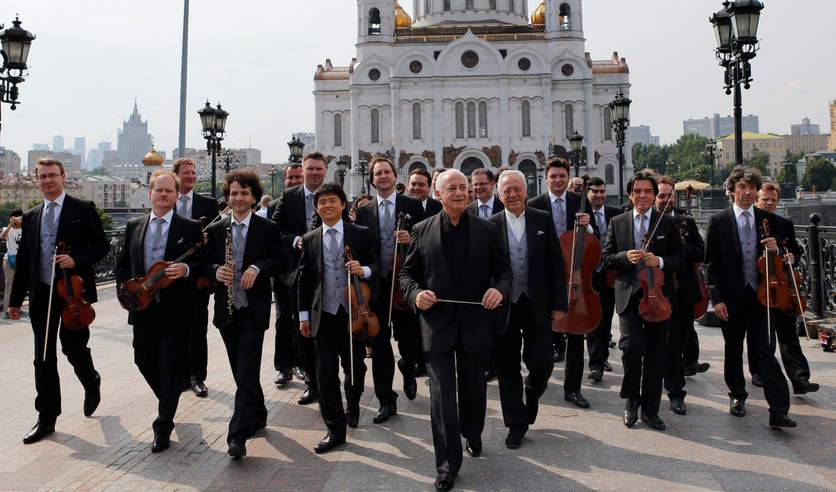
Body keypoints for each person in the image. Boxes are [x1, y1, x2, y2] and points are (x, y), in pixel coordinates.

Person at [400, 169, 512, 492]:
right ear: (438, 193)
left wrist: (499, 291)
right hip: (437, 326)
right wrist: (416, 294)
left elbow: (504, 271)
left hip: (476, 325)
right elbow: (407, 276)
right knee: (441, 396)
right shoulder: (421, 230)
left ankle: (473, 431)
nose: (460, 192)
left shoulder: (487, 229)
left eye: (464, 187)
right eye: (452, 188)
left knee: (474, 389)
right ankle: (447, 465)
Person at [8, 158, 109, 444]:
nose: (48, 181)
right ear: (37, 180)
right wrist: (15, 302)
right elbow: (25, 263)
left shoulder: (82, 209)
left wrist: (75, 259)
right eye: (42, 176)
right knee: (43, 356)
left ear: (63, 177)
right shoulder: (30, 217)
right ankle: (47, 418)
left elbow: (101, 245)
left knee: (74, 349)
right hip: (41, 293)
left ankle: (91, 380)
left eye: (53, 175)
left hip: (72, 293)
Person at [115, 170, 203, 453]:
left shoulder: (189, 227)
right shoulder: (134, 225)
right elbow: (122, 266)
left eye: (169, 191)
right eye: (158, 190)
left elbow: (204, 263)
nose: (163, 195)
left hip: (176, 311)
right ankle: (169, 397)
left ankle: (163, 424)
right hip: (143, 307)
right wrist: (124, 289)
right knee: (143, 359)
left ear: (177, 195)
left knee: (170, 365)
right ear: (150, 193)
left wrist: (187, 269)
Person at [704, 166, 796, 428]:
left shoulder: (770, 221)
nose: (748, 192)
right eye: (742, 187)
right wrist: (716, 299)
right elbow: (710, 264)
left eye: (752, 187)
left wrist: (776, 248)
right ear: (731, 190)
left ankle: (778, 409)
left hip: (763, 296)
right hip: (731, 297)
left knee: (766, 350)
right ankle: (737, 396)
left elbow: (791, 258)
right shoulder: (718, 221)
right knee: (733, 349)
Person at [204, 169, 286, 456]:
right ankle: (259, 411)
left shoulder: (267, 228)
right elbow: (205, 265)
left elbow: (280, 262)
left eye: (245, 193)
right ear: (227, 197)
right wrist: (215, 270)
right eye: (234, 193)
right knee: (242, 373)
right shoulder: (216, 230)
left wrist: (257, 267)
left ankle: (237, 435)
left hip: (253, 310)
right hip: (226, 311)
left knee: (247, 370)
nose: (238, 198)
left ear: (253, 198)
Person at [487, 170, 566, 449]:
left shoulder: (541, 220)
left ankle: (532, 392)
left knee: (543, 362)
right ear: (499, 195)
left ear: (526, 191)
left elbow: (556, 265)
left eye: (517, 189)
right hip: (505, 309)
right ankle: (515, 425)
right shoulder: (490, 225)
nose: (512, 195)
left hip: (538, 305)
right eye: (506, 191)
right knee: (507, 368)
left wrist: (559, 304)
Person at [601, 171, 685, 431]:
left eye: (648, 191)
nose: (643, 196)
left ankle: (651, 409)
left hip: (659, 300)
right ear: (630, 194)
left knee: (656, 354)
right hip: (630, 296)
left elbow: (681, 260)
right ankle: (631, 401)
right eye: (637, 191)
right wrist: (627, 256)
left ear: (653, 194)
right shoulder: (619, 222)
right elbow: (606, 259)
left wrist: (658, 261)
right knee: (633, 348)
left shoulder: (668, 223)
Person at [298, 182, 378, 453]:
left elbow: (377, 265)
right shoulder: (310, 239)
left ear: (343, 205)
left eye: (333, 200)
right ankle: (335, 429)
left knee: (355, 367)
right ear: (317, 208)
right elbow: (304, 280)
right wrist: (303, 316)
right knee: (325, 374)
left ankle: (353, 403)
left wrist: (363, 269)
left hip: (354, 313)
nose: (327, 205)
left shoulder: (361, 234)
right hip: (324, 314)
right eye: (322, 202)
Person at [355, 157, 426, 424]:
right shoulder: (364, 211)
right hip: (377, 286)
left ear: (395, 177)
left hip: (404, 285)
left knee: (408, 339)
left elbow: (426, 241)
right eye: (378, 173)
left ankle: (408, 368)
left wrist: (412, 239)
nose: (382, 176)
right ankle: (386, 398)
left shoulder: (413, 205)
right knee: (379, 342)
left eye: (387, 172)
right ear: (372, 180)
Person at [527, 157, 597, 407]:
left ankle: (572, 389)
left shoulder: (580, 203)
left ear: (568, 179)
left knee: (576, 334)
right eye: (553, 176)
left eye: (562, 176)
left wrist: (587, 227)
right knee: (542, 333)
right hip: (545, 277)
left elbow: (595, 239)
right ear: (546, 178)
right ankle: (540, 379)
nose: (558, 180)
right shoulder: (533, 204)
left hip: (574, 276)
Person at [749, 182, 819, 395]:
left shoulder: (784, 223)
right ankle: (760, 372)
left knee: (789, 334)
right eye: (765, 200)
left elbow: (797, 253)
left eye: (773, 200)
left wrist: (791, 257)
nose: (769, 203)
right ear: (756, 200)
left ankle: (800, 378)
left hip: (783, 287)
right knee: (761, 336)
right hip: (760, 287)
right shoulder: (749, 223)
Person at [273, 152, 328, 405]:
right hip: (295, 273)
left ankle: (326, 378)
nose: (314, 173)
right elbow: (276, 229)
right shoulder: (288, 196)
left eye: (319, 169)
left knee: (324, 329)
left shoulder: (333, 194)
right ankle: (310, 381)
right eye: (310, 169)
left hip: (326, 274)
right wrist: (295, 240)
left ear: (325, 171)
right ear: (303, 171)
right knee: (302, 325)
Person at [655, 175, 704, 416]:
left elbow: (700, 252)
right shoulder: (652, 224)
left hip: (685, 289)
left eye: (669, 195)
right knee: (672, 342)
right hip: (662, 291)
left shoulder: (687, 222)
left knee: (682, 336)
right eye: (661, 196)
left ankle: (671, 372)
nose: (666, 200)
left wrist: (680, 246)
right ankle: (676, 393)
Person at [173, 157, 220, 398]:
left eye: (193, 173)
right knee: (175, 327)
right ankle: (180, 375)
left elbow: (215, 236)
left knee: (197, 326)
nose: (191, 176)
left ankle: (197, 377)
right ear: (175, 176)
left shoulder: (207, 204)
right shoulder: (166, 199)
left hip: (197, 275)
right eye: (186, 173)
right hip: (170, 275)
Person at [268, 163, 305, 387]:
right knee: (283, 320)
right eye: (290, 178)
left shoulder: (316, 200)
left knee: (302, 319)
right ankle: (283, 366)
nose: (294, 181)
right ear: (284, 180)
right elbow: (273, 235)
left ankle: (301, 362)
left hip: (306, 272)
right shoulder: (275, 205)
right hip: (283, 272)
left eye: (297, 177)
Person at [586, 177, 621, 381]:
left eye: (601, 191)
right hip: (589, 273)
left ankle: (603, 357)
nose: (598, 195)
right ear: (588, 194)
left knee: (606, 317)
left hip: (608, 273)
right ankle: (594, 364)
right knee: (592, 318)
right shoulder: (581, 214)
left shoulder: (615, 214)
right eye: (594, 191)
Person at [2, 208, 23, 318]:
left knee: (20, 285)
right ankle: (6, 311)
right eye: (14, 216)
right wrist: (10, 225)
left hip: (22, 260)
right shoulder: (7, 229)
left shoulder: (26, 229)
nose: (17, 218)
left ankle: (18, 309)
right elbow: (2, 236)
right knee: (9, 286)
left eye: (19, 216)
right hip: (10, 259)